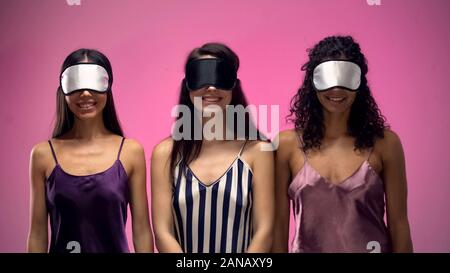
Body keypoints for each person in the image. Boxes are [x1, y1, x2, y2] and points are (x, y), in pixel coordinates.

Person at [273, 36, 413, 253]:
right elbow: (278, 227)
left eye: (346, 78)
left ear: (360, 83)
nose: (337, 89)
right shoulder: (286, 146)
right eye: (327, 79)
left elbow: (399, 225)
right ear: (313, 82)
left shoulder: (386, 144)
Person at [151, 43, 274, 253]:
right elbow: (163, 232)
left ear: (233, 86)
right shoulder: (166, 153)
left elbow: (265, 230)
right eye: (201, 77)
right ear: (188, 86)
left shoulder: (258, 152)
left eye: (220, 78)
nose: (211, 88)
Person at [27, 48, 153, 253]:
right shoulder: (42, 155)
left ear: (107, 87)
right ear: (63, 89)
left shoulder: (130, 152)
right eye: (76, 85)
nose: (85, 93)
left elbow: (142, 231)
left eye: (94, 84)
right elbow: (37, 234)